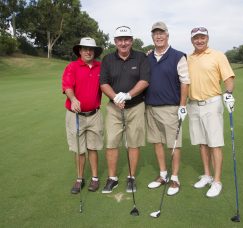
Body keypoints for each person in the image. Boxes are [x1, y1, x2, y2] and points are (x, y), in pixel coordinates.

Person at [100, 26, 150, 194]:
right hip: (114, 108)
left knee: (134, 142)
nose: (123, 43)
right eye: (120, 40)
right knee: (112, 142)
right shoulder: (107, 59)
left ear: (131, 41)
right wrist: (115, 97)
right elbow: (103, 83)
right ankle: (112, 178)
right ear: (115, 42)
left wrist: (128, 95)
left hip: (135, 106)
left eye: (126, 39)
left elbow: (144, 80)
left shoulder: (141, 57)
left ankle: (131, 177)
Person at [187, 26, 235, 197]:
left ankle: (217, 180)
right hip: (193, 104)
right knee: (202, 143)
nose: (199, 41)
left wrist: (228, 94)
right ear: (191, 40)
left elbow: (228, 79)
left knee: (214, 144)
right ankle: (207, 175)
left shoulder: (218, 55)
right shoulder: (188, 58)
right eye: (196, 38)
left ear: (208, 38)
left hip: (212, 103)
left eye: (202, 37)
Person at [145, 22, 190, 196]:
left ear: (167, 35)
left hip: (171, 108)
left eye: (161, 33)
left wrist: (183, 106)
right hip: (150, 107)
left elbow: (185, 82)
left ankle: (175, 178)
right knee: (157, 142)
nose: (158, 36)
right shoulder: (147, 57)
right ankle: (163, 174)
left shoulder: (178, 56)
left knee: (173, 145)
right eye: (155, 34)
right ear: (152, 37)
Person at [62, 37, 104, 194]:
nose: (88, 51)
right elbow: (67, 86)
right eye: (85, 49)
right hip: (75, 115)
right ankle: (79, 179)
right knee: (79, 149)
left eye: (91, 49)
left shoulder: (101, 67)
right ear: (79, 51)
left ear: (94, 51)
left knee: (93, 148)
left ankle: (94, 178)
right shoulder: (72, 67)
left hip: (94, 115)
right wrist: (73, 99)